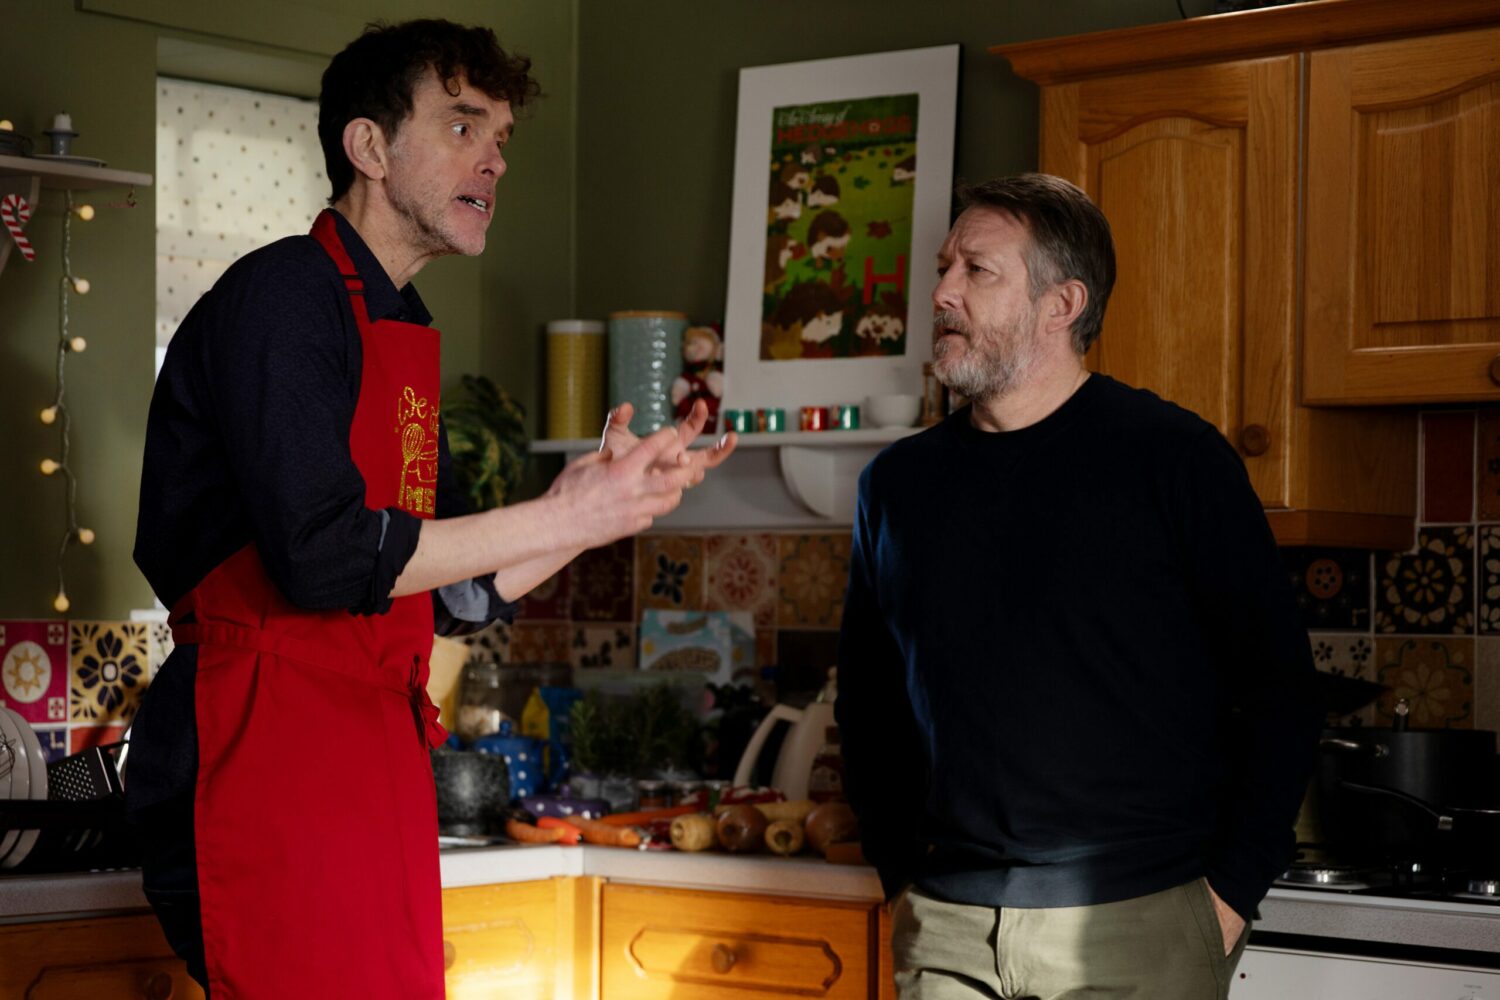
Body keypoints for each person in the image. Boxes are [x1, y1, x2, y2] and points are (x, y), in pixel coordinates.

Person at [126, 20, 735, 999]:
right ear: (369, 148)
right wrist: (560, 515)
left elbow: (463, 591)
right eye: (462, 127)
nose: (494, 160)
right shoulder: (283, 296)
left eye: (500, 139)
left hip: (368, 753)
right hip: (259, 740)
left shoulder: (398, 326)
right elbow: (325, 559)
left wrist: (598, 510)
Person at [835, 173, 1319, 1000]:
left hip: (1139, 924)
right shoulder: (897, 487)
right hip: (946, 930)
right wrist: (900, 878)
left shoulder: (1174, 460)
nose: (943, 292)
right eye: (944, 267)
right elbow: (870, 706)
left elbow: (1279, 693)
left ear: (1061, 305)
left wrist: (1228, 898)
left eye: (976, 271)